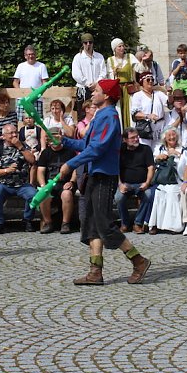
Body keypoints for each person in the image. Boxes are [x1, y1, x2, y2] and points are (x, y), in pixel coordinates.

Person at [56, 79, 151, 285]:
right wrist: (64, 140)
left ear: (106, 95)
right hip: (94, 175)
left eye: (96, 91)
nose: (92, 94)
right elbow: (86, 144)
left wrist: (71, 164)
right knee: (91, 223)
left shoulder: (110, 117)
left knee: (105, 225)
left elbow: (97, 149)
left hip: (104, 176)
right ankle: (95, 272)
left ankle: (139, 261)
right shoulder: (101, 115)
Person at [0, 124, 37, 234]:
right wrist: (7, 170)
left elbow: (32, 160)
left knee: (33, 195)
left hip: (22, 184)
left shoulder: (23, 146)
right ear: (4, 136)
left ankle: (27, 220)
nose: (14, 135)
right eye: (11, 133)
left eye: (15, 132)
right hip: (5, 184)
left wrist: (21, 147)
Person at [35, 126, 77, 234]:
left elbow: (75, 169)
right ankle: (48, 223)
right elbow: (40, 171)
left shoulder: (69, 151)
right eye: (50, 138)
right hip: (50, 183)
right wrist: (43, 185)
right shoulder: (45, 153)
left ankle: (65, 223)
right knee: (43, 194)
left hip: (65, 184)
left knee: (67, 194)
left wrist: (71, 181)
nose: (53, 140)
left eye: (55, 137)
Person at [114, 128, 155, 235]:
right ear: (125, 140)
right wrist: (120, 184)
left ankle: (138, 223)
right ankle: (125, 223)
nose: (136, 139)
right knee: (118, 198)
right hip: (125, 184)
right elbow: (115, 169)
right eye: (132, 138)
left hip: (142, 183)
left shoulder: (146, 149)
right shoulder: (120, 150)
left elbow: (151, 168)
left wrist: (147, 182)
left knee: (149, 195)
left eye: (137, 136)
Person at [148, 127, 186, 234]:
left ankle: (173, 226)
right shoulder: (159, 149)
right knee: (157, 193)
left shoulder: (183, 149)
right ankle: (155, 224)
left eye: (174, 135)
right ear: (165, 138)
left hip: (177, 179)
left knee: (172, 193)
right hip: (162, 179)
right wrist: (158, 158)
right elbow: (152, 163)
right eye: (169, 135)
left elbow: (185, 167)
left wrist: (178, 155)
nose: (172, 137)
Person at [71, 33, 107, 118]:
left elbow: (103, 72)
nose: (88, 44)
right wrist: (87, 83)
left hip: (97, 89)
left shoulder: (99, 57)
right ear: (82, 44)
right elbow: (76, 74)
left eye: (90, 42)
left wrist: (96, 83)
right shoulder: (78, 57)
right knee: (83, 114)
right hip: (83, 90)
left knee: (99, 112)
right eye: (85, 42)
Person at [106, 37, 139, 129]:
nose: (121, 48)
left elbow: (139, 68)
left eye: (122, 46)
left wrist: (142, 61)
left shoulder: (130, 57)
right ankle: (121, 134)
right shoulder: (110, 60)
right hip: (118, 89)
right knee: (119, 111)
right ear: (114, 49)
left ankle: (132, 131)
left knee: (130, 109)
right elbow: (110, 78)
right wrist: (114, 72)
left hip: (128, 88)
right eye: (119, 46)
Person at [130, 73, 168, 149]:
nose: (150, 81)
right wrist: (148, 116)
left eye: (152, 80)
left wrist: (169, 93)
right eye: (148, 80)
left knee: (158, 151)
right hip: (145, 129)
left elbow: (169, 104)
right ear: (142, 82)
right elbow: (135, 114)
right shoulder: (138, 95)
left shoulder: (159, 94)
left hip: (159, 130)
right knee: (145, 151)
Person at [13, 44, 50, 120]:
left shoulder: (41, 66)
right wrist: (20, 92)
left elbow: (45, 82)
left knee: (37, 121)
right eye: (29, 54)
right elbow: (15, 82)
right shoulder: (21, 66)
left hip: (37, 99)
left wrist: (39, 93)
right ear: (25, 56)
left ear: (35, 55)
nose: (31, 56)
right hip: (22, 99)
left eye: (32, 54)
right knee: (21, 121)